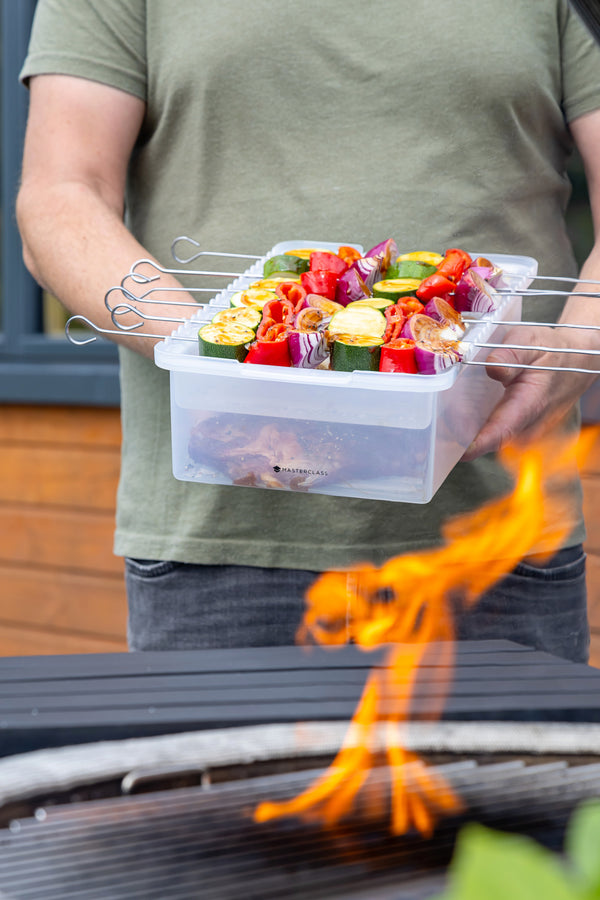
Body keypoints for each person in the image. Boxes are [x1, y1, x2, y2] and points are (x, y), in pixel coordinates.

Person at [16, 0, 600, 661]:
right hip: (216, 543)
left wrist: (577, 349)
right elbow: (61, 195)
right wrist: (221, 359)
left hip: (499, 538)